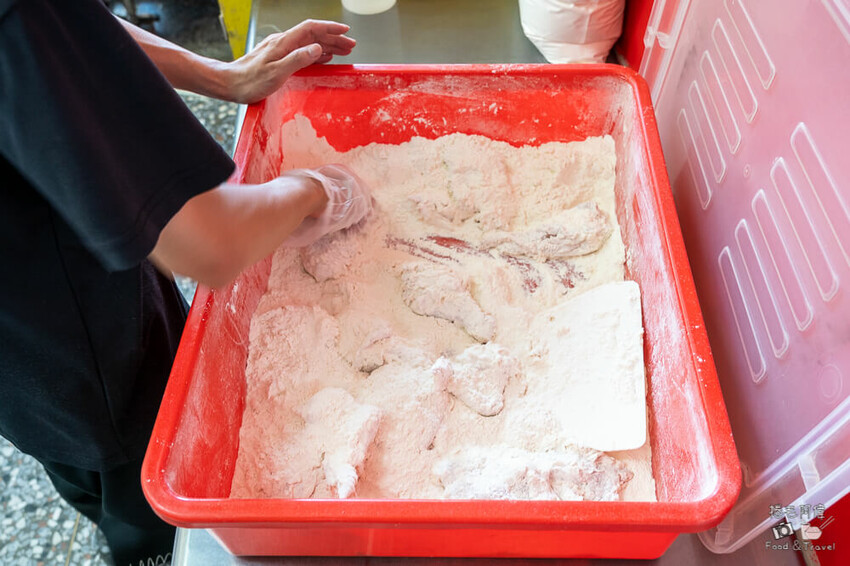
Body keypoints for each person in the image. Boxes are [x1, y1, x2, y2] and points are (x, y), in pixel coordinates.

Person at [0, 1, 367, 564]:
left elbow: (67, 39)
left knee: (78, 467)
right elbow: (211, 246)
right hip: (81, 356)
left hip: (29, 343)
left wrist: (220, 76)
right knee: (141, 508)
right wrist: (320, 189)